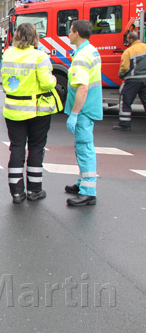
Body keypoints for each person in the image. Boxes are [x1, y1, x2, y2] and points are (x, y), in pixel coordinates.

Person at [2, 23, 62, 204]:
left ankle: (16, 193)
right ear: (35, 36)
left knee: (16, 148)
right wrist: (54, 80)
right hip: (37, 109)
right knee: (36, 147)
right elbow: (46, 83)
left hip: (13, 109)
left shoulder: (7, 54)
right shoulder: (39, 56)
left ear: (17, 35)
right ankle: (34, 190)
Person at [64, 20, 103, 206]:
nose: (68, 34)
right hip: (89, 107)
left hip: (84, 110)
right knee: (83, 147)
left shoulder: (81, 56)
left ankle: (88, 192)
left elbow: (83, 88)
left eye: (70, 31)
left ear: (77, 33)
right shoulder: (90, 50)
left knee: (84, 148)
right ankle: (83, 183)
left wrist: (75, 113)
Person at [113, 30, 146, 131]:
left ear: (131, 39)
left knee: (125, 101)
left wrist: (121, 75)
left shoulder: (129, 51)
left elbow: (124, 67)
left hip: (132, 80)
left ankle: (124, 123)